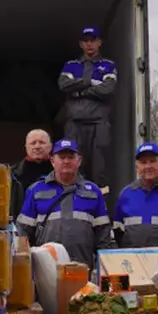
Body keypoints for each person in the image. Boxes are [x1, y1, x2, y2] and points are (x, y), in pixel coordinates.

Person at [15, 138, 114, 266]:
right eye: (61, 157)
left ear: (79, 161)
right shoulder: (36, 190)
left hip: (83, 269)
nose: (66, 161)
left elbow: (103, 236)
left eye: (71, 157)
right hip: (46, 270)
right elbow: (23, 233)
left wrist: (106, 267)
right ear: (52, 161)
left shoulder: (94, 192)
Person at [57, 26, 116, 191]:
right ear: (80, 44)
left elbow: (107, 90)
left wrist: (78, 90)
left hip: (99, 123)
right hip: (74, 123)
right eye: (86, 41)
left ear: (99, 43)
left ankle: (101, 206)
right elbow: (63, 85)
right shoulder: (71, 65)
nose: (89, 44)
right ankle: (74, 201)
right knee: (73, 164)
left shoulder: (108, 65)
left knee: (100, 169)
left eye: (93, 40)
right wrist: (90, 82)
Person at [10, 129, 52, 220]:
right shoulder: (12, 174)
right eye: (33, 143)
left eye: (42, 142)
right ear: (26, 147)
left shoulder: (62, 172)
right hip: (22, 226)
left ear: (50, 147)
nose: (37, 146)